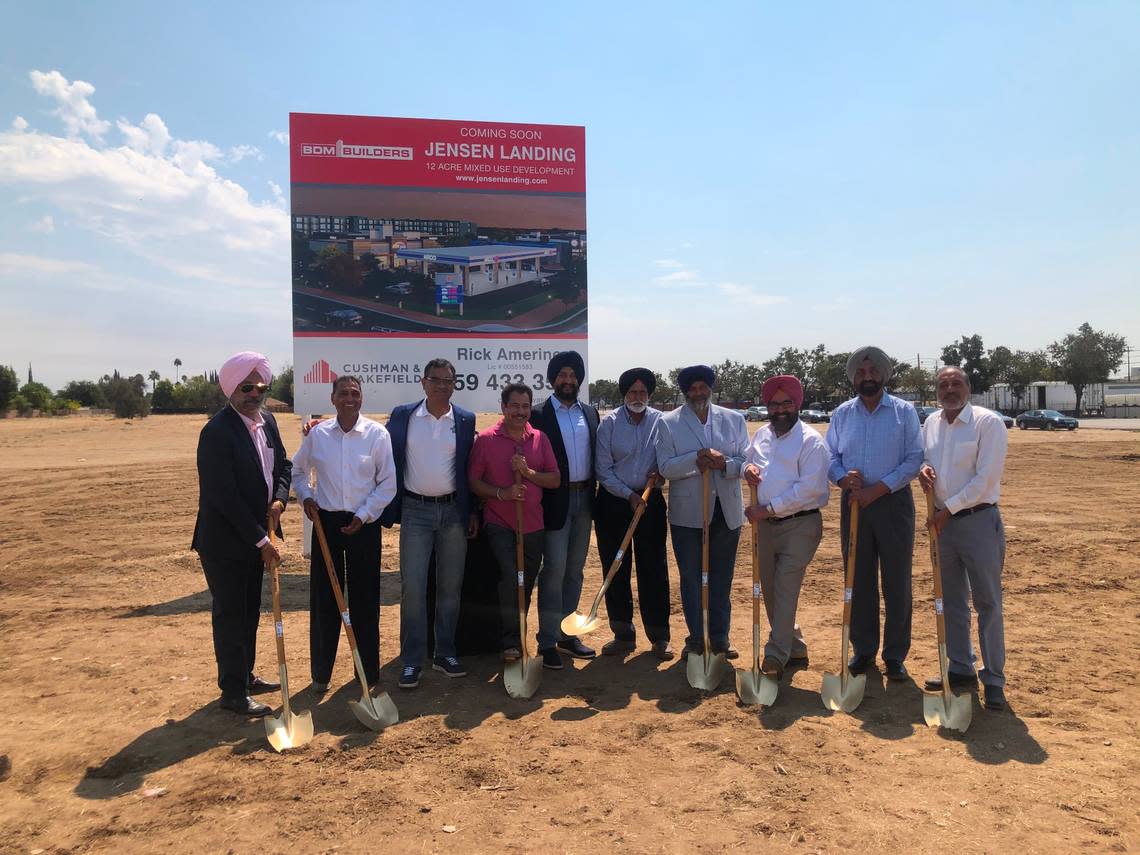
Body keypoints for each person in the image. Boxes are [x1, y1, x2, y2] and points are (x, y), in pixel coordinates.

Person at [192, 351, 292, 717]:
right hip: (226, 542)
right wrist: (262, 540)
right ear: (232, 388)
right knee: (232, 613)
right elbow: (223, 497)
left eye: (260, 386)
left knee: (250, 611)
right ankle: (232, 693)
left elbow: (284, 464)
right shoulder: (217, 431)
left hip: (258, 535)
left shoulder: (266, 421)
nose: (255, 393)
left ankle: (245, 675)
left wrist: (280, 500)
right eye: (247, 387)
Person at [292, 375, 396, 695]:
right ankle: (321, 673)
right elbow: (297, 471)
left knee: (365, 600)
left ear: (361, 398)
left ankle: (367, 673)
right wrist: (306, 497)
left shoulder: (377, 434)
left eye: (355, 393)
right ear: (332, 398)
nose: (349, 398)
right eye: (343, 393)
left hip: (364, 525)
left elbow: (387, 483)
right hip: (326, 526)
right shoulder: (318, 434)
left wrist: (363, 517)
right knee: (325, 600)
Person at [825, 346, 923, 681]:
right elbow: (830, 457)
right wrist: (842, 478)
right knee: (858, 578)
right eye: (861, 373)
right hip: (853, 504)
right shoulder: (841, 414)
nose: (867, 377)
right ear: (854, 377)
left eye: (873, 372)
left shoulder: (903, 412)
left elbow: (914, 459)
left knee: (897, 581)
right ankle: (863, 650)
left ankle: (895, 655)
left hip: (893, 503)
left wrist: (878, 489)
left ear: (883, 374)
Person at [382, 358, 477, 690]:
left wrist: (472, 512)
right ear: (423, 382)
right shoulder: (403, 415)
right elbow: (378, 444)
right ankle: (412, 660)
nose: (441, 385)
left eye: (447, 381)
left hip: (453, 513)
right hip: (415, 512)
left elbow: (469, 468)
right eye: (435, 380)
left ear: (454, 384)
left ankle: (445, 652)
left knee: (450, 589)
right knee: (413, 589)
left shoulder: (465, 419)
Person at [918, 366, 1010, 711]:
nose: (949, 389)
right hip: (942, 525)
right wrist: (922, 470)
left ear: (968, 388)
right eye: (943, 384)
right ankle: (960, 669)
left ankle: (994, 680)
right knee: (951, 601)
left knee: (987, 603)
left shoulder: (988, 423)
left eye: (956, 383)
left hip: (977, 521)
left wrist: (949, 510)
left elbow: (986, 479)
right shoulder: (931, 423)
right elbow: (926, 460)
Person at [656, 364, 748, 661]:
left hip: (726, 511)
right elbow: (666, 467)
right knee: (692, 578)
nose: (698, 392)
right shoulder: (668, 422)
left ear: (710, 387)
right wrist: (697, 460)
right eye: (692, 388)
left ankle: (720, 637)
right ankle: (696, 638)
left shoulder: (734, 420)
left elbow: (745, 462)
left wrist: (724, 464)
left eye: (702, 387)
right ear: (685, 392)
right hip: (688, 516)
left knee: (721, 578)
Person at [743, 375, 830, 679]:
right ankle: (794, 644)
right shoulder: (762, 436)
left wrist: (767, 509)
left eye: (786, 403)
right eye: (774, 403)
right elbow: (748, 462)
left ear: (797, 405)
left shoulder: (810, 442)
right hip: (765, 527)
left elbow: (809, 490)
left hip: (800, 525)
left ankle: (775, 656)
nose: (780, 409)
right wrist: (748, 469)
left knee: (785, 587)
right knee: (769, 589)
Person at [468, 383, 560, 662]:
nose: (520, 412)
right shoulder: (486, 439)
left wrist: (527, 472)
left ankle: (520, 634)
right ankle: (511, 642)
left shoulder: (539, 439)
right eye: (515, 406)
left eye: (525, 406)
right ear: (504, 407)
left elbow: (554, 480)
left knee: (525, 582)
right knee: (511, 578)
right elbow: (473, 482)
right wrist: (502, 493)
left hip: (533, 524)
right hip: (500, 523)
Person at [594, 367, 672, 660]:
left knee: (653, 568)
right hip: (615, 503)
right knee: (615, 567)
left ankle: (660, 636)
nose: (637, 397)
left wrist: (660, 475)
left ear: (649, 395)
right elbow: (603, 468)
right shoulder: (609, 424)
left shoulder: (661, 422)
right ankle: (623, 634)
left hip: (650, 502)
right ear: (624, 395)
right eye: (632, 392)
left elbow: (667, 458)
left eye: (642, 392)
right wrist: (629, 495)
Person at [530, 351, 600, 668]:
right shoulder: (538, 414)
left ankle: (567, 636)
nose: (568, 380)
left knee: (575, 571)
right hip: (554, 501)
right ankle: (546, 641)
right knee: (554, 570)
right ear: (553, 378)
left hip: (585, 499)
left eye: (573, 375)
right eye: (562, 375)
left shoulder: (591, 413)